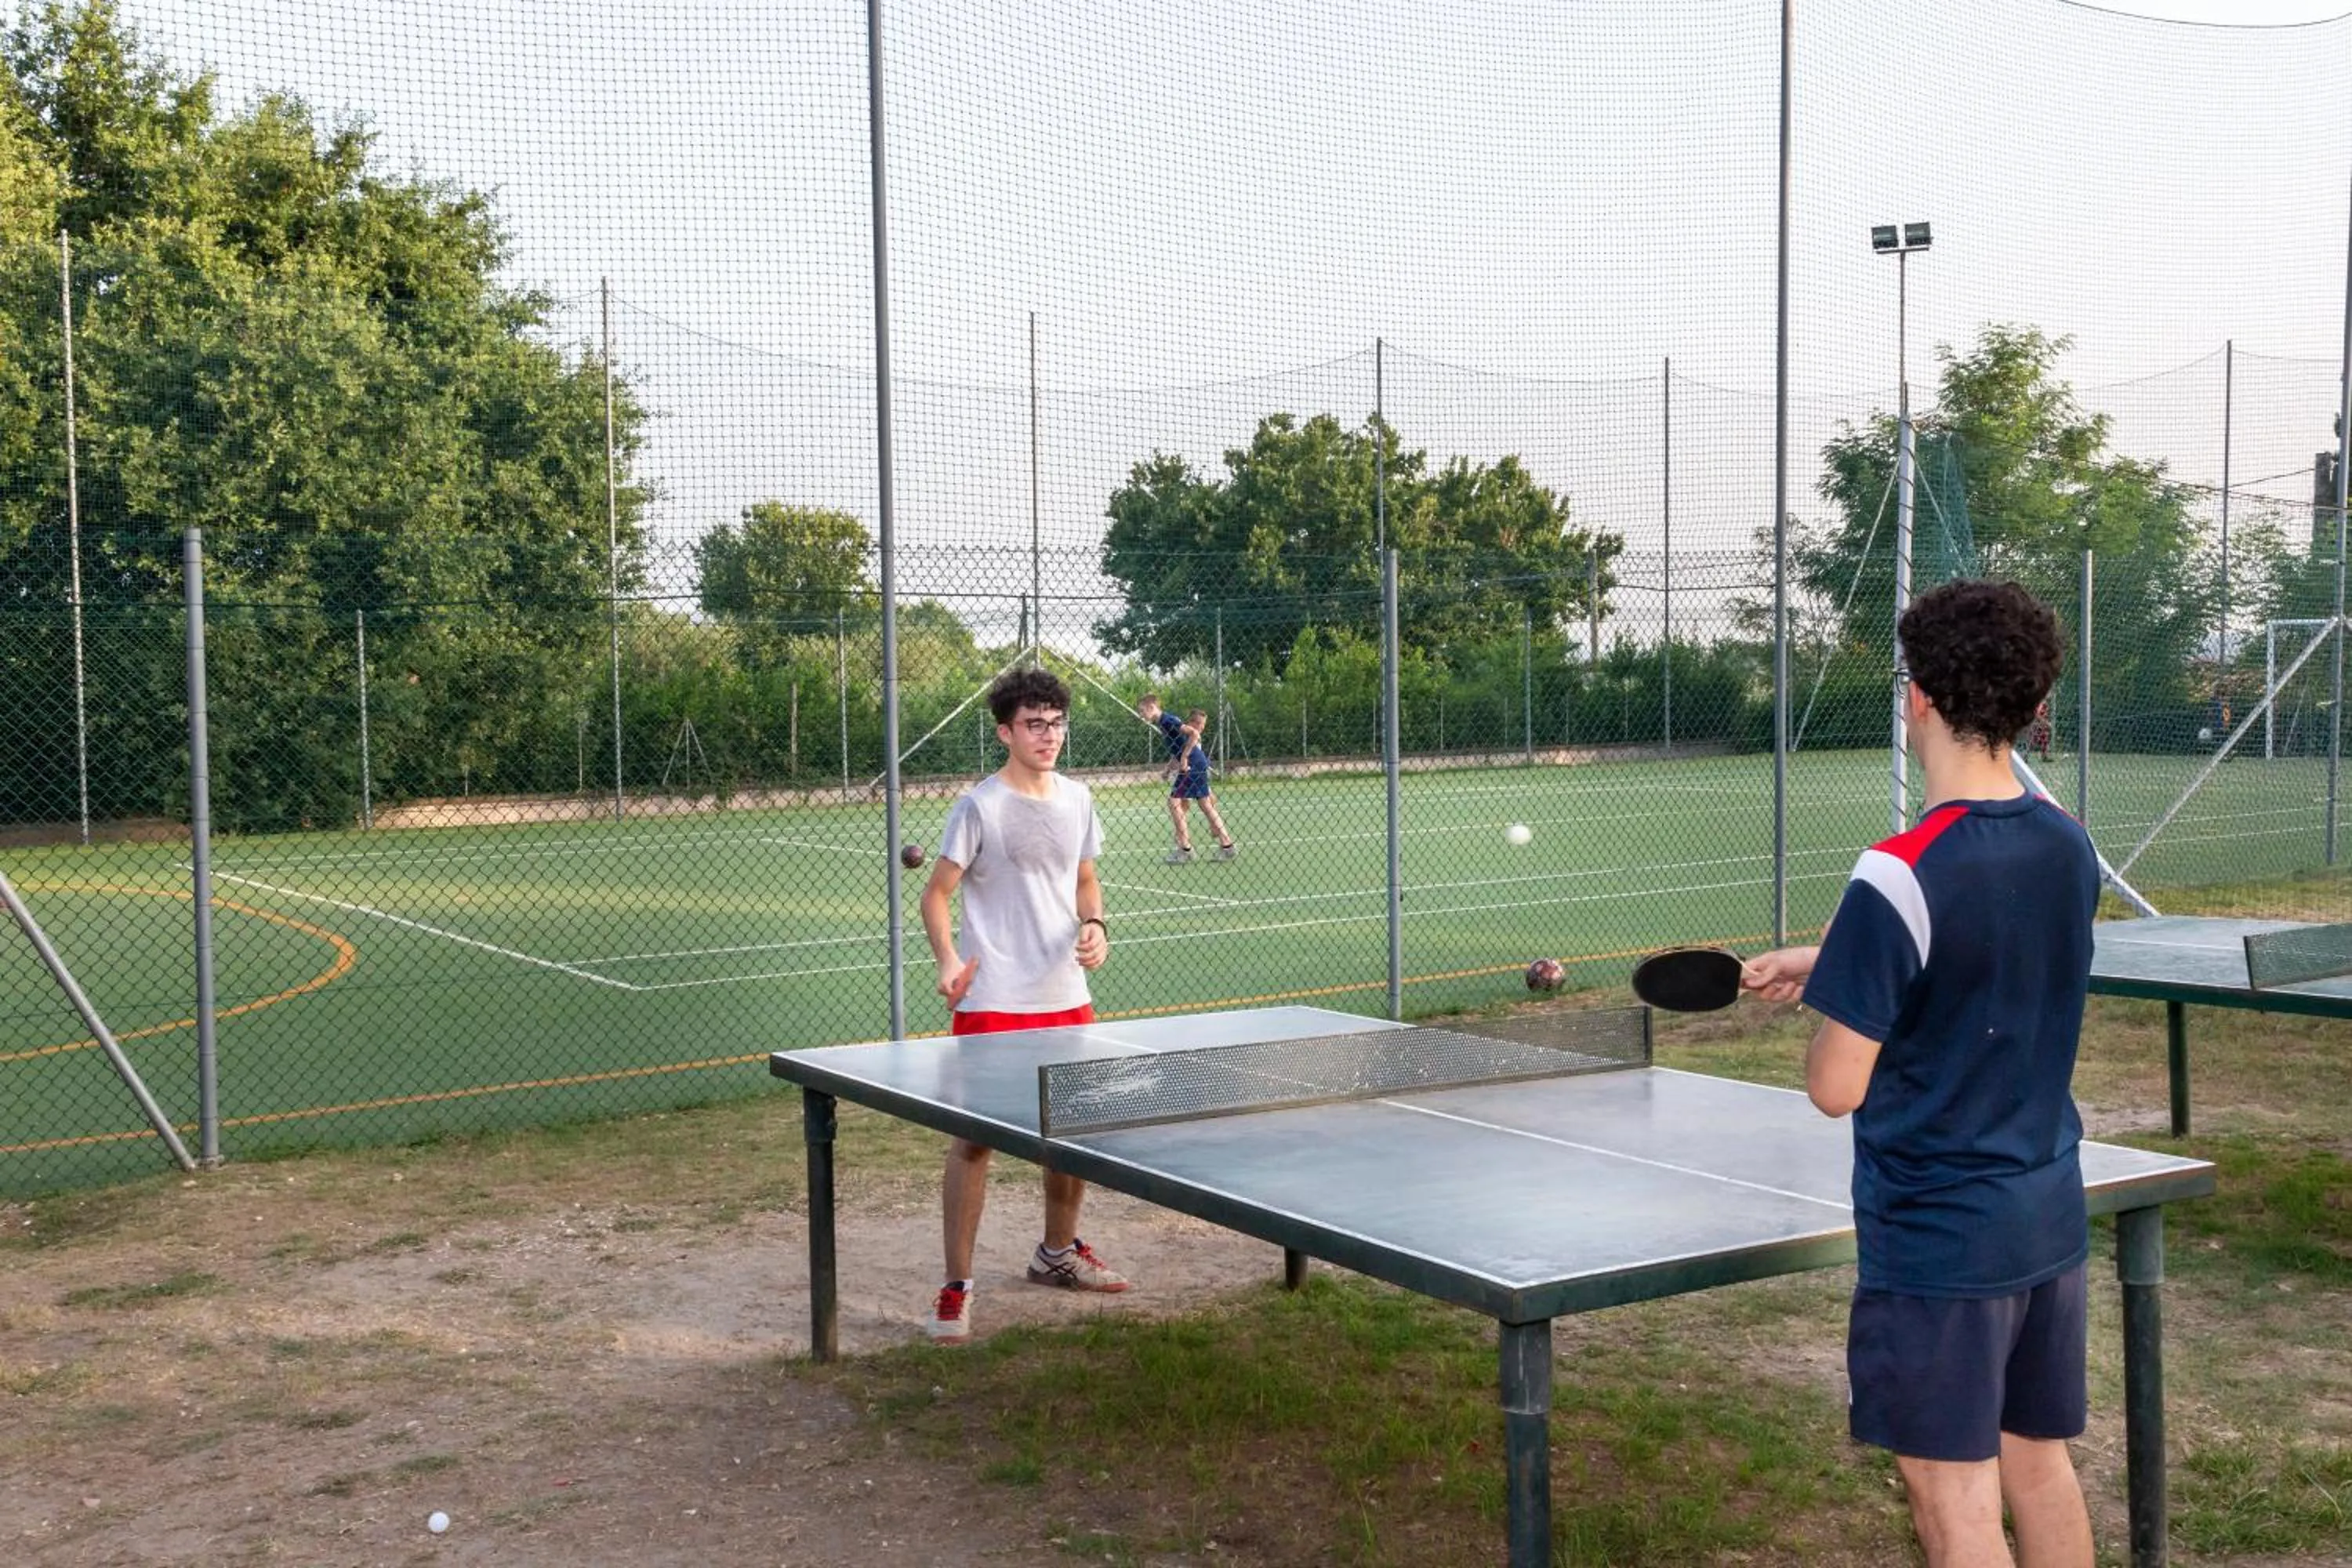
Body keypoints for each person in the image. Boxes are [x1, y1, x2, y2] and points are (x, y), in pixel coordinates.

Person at [1740, 579, 2099, 1568]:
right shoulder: (2069, 840)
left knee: (1955, 1497)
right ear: (2032, 706)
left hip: (1941, 1236)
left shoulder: (1896, 871)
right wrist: (1834, 962)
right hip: (2045, 1213)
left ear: (1919, 699)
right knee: (2039, 1466)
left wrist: (1837, 1005)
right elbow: (1994, 951)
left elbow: (1836, 1085)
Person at [918, 667, 1127, 1344]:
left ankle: (1057, 1255)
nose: (1049, 735)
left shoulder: (1079, 799)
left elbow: (1086, 882)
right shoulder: (979, 807)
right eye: (1034, 724)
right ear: (1005, 731)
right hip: (994, 998)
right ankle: (957, 1287)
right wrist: (950, 962)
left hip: (1066, 995)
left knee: (1068, 1132)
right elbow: (936, 894)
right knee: (974, 1142)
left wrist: (1095, 926)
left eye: (1057, 722)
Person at [1136, 693, 1236, 862]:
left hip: (1192, 765)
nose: (1141, 715)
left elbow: (1194, 735)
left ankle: (1185, 849)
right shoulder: (1163, 723)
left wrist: (1184, 758)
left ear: (1152, 707)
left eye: (1142, 710)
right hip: (1196, 764)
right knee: (1205, 804)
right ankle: (1227, 846)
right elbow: (1179, 747)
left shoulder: (1168, 720)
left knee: (1174, 802)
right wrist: (1168, 769)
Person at [2030, 699, 2053, 763]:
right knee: (2033, 741)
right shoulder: (2042, 703)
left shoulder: (2045, 703)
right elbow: (2038, 715)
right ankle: (2024, 755)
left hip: (2041, 725)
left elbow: (2043, 715)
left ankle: (2044, 756)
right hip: (2037, 725)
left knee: (2045, 740)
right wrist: (2046, 723)